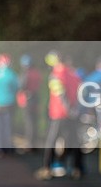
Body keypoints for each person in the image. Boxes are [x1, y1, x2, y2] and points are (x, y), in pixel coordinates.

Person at [35, 50, 83, 180]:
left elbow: (60, 93)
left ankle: (47, 168)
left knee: (51, 141)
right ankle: (78, 168)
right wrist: (74, 110)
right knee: (74, 141)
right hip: (72, 114)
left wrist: (68, 109)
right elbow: (80, 92)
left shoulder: (56, 74)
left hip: (59, 113)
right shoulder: (73, 74)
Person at [0, 53, 19, 157]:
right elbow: (16, 88)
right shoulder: (11, 74)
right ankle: (8, 147)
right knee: (8, 127)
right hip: (8, 103)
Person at [17, 54, 43, 152]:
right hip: (36, 98)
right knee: (35, 122)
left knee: (29, 123)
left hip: (28, 99)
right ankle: (35, 143)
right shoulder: (37, 72)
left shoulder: (26, 73)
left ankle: (29, 144)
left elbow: (21, 86)